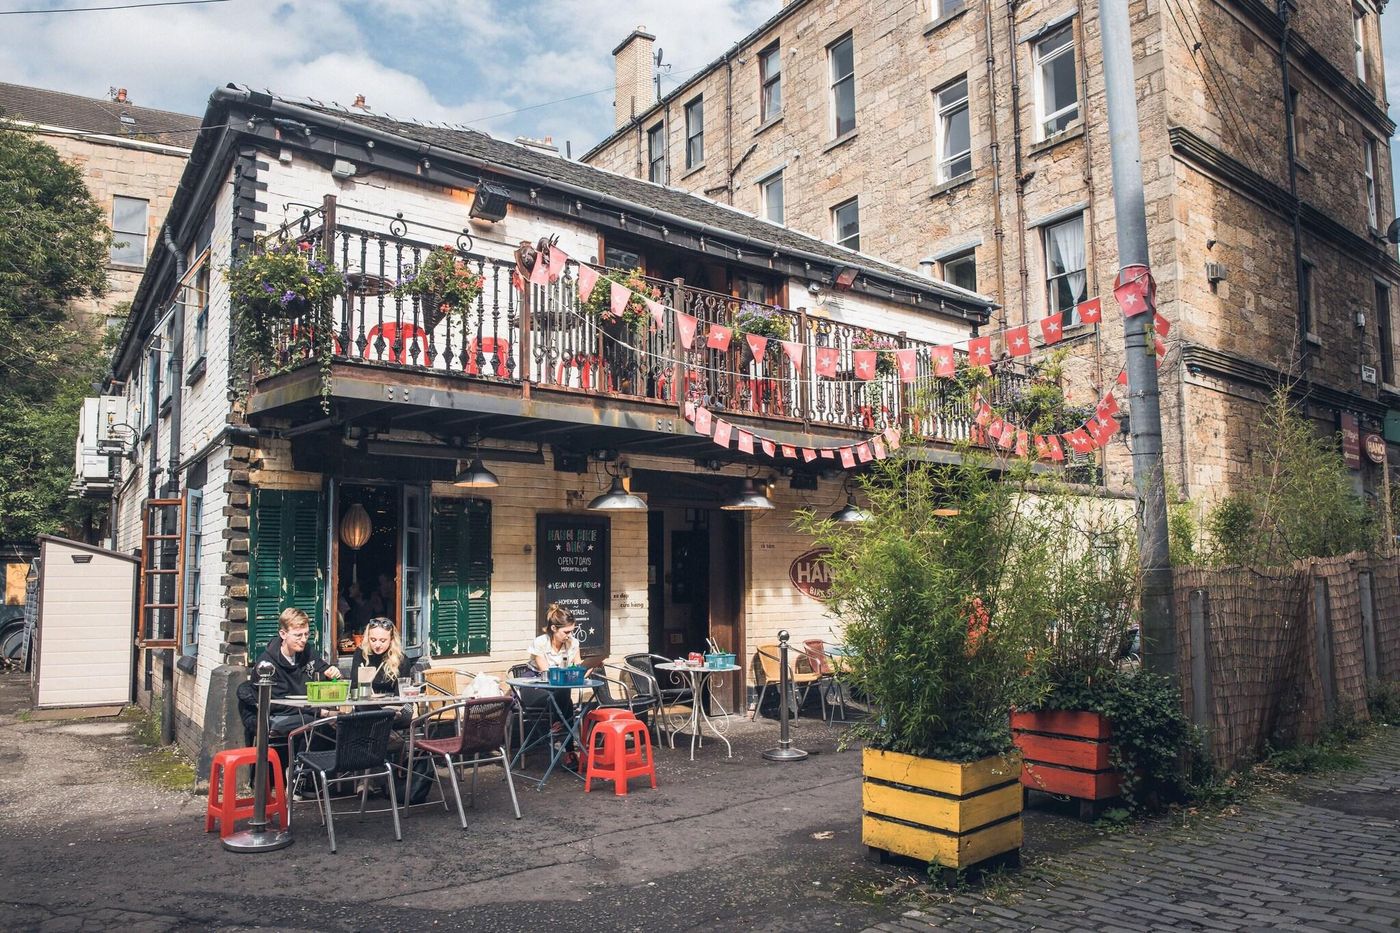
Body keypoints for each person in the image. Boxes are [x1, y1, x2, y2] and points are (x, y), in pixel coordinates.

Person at [528, 604, 583, 769]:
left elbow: (578, 665)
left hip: (559, 691)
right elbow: (547, 673)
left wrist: (588, 667)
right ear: (553, 628)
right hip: (535, 686)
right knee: (564, 694)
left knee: (563, 693)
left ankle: (559, 728)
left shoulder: (573, 643)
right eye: (566, 632)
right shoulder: (540, 642)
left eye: (571, 631)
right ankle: (569, 750)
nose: (569, 635)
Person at [349, 617, 413, 695]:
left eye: (383, 641)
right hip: (365, 703)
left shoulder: (401, 659)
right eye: (373, 640)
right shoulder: (361, 653)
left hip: (392, 704)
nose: (377, 645)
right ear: (367, 638)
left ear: (391, 639)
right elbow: (354, 686)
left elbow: (402, 694)